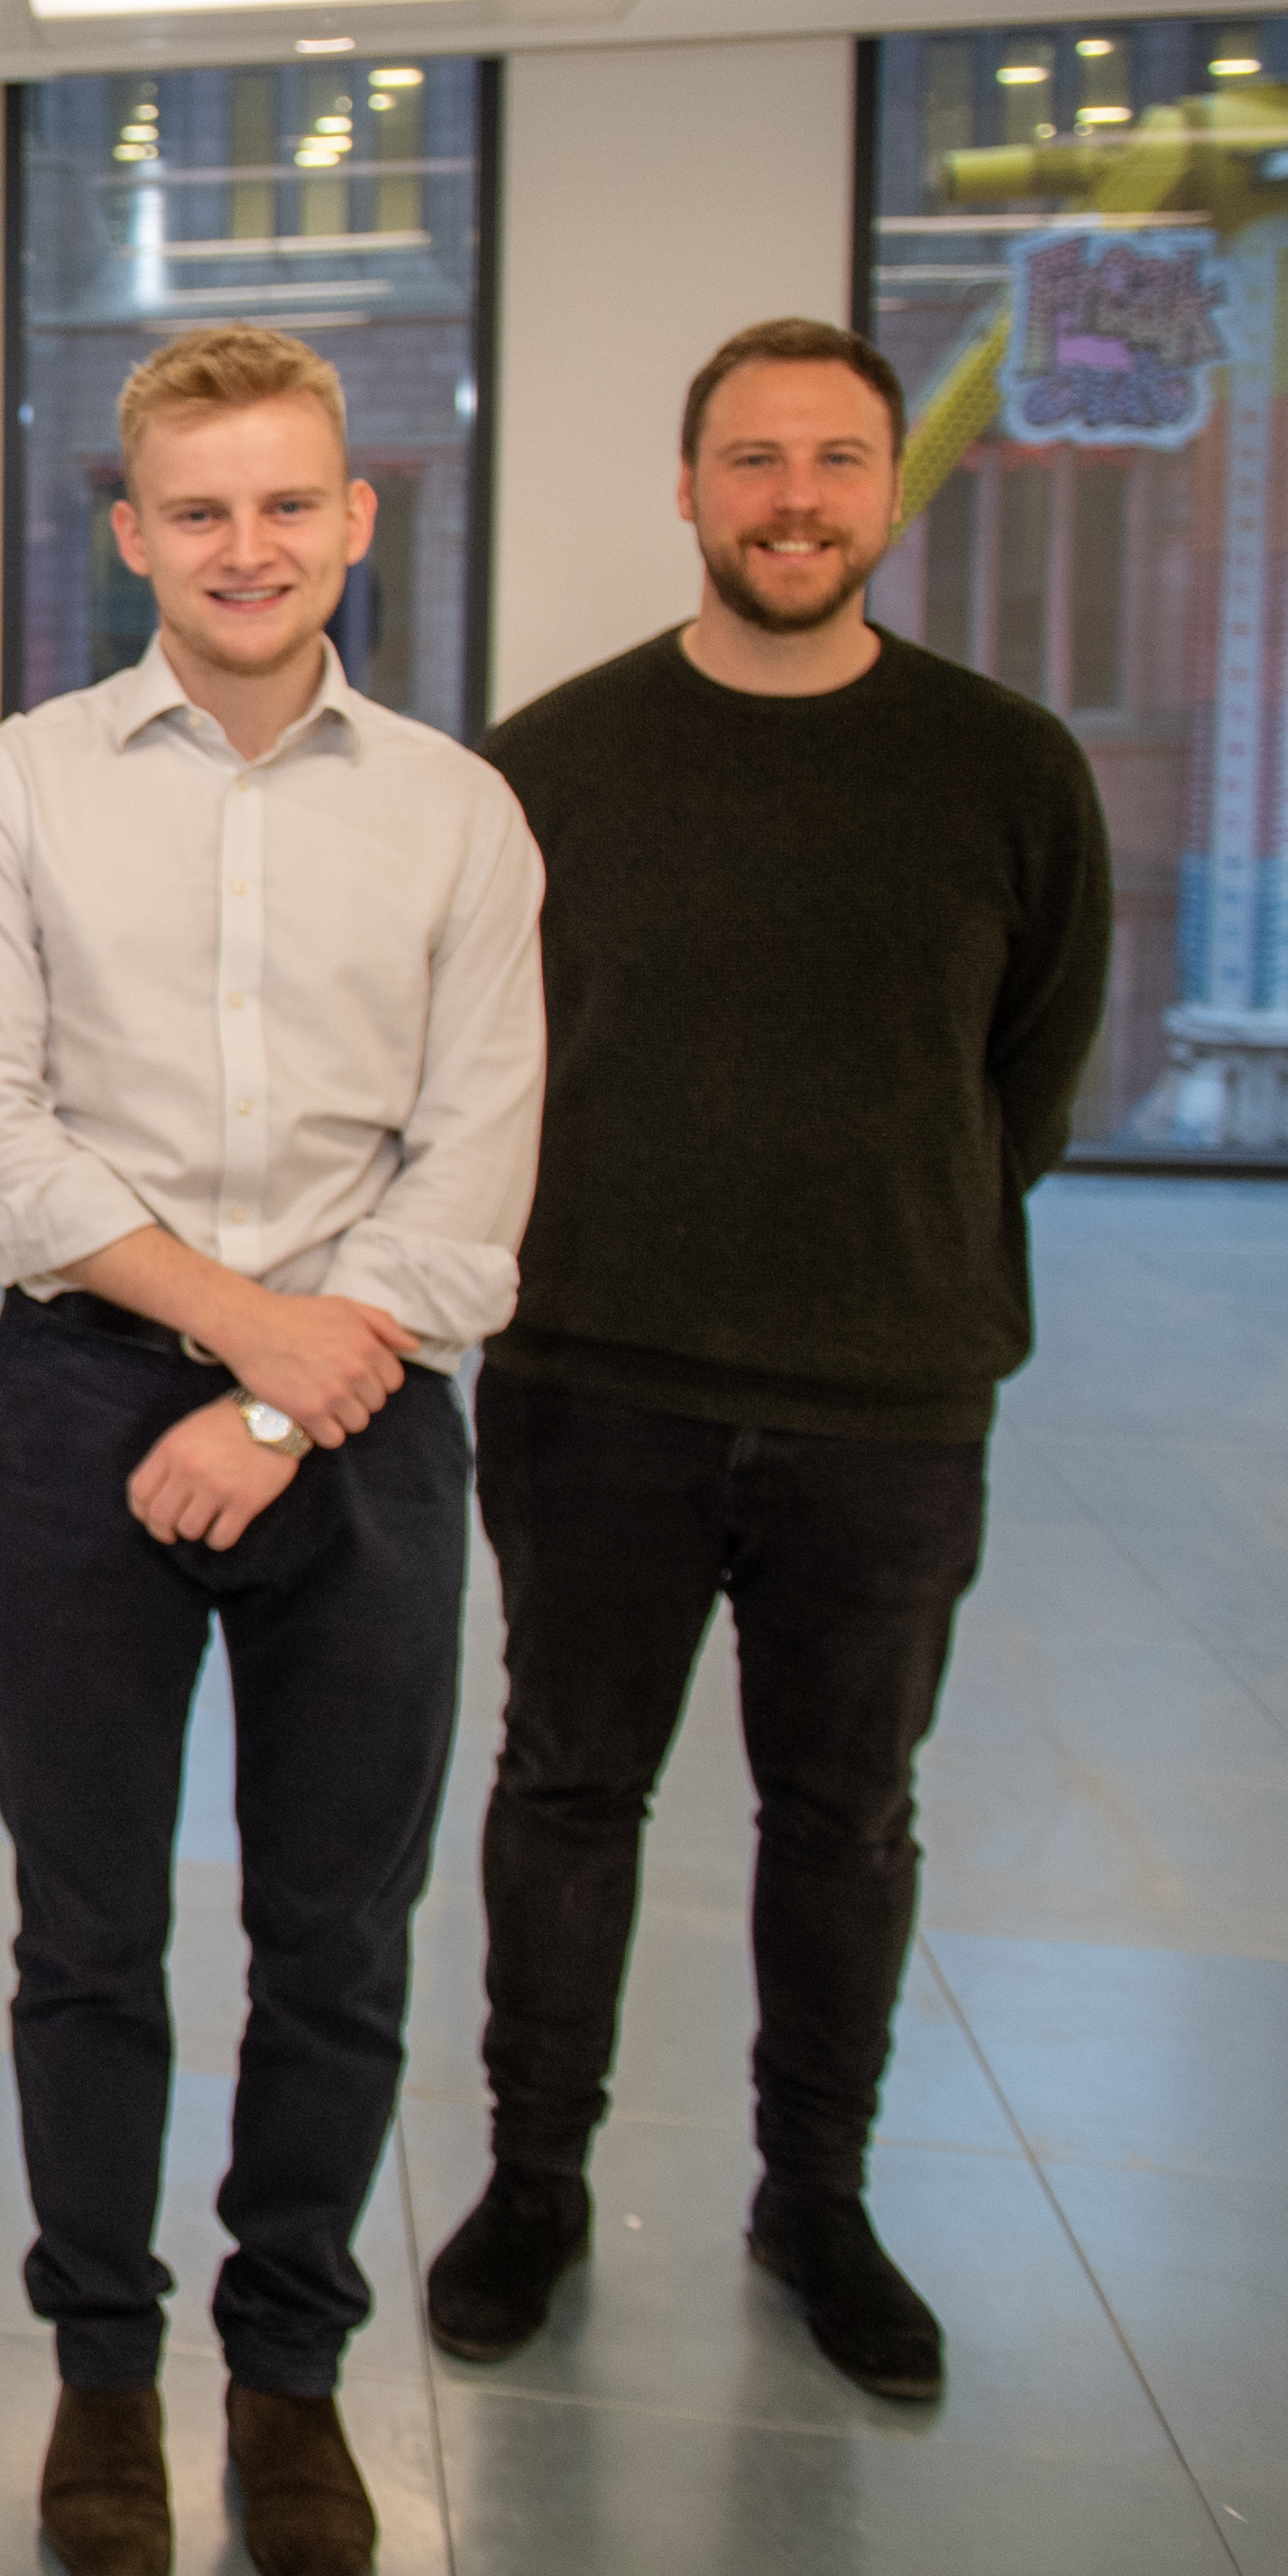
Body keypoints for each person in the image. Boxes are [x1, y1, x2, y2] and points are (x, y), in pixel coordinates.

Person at [422, 319, 1111, 2404]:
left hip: (888, 1399)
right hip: (596, 1378)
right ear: (690, 488)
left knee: (845, 1816)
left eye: (833, 458)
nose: (793, 495)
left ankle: (817, 2193)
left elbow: (1034, 1078)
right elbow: (485, 1069)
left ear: (888, 491)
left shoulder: (1007, 768)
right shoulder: (556, 760)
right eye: (753, 458)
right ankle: (535, 2178)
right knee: (567, 1791)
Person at [0, 324, 543, 2576]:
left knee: (337, 1936)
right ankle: (101, 2370)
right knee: (84, 1931)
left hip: (365, 1428)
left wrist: (280, 1397)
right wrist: (236, 1337)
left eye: (289, 501)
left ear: (358, 515)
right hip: (89, 1398)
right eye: (200, 507)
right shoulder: (20, 789)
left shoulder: (459, 808)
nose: (246, 543)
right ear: (132, 532)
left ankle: (289, 2372)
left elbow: (473, 1179)